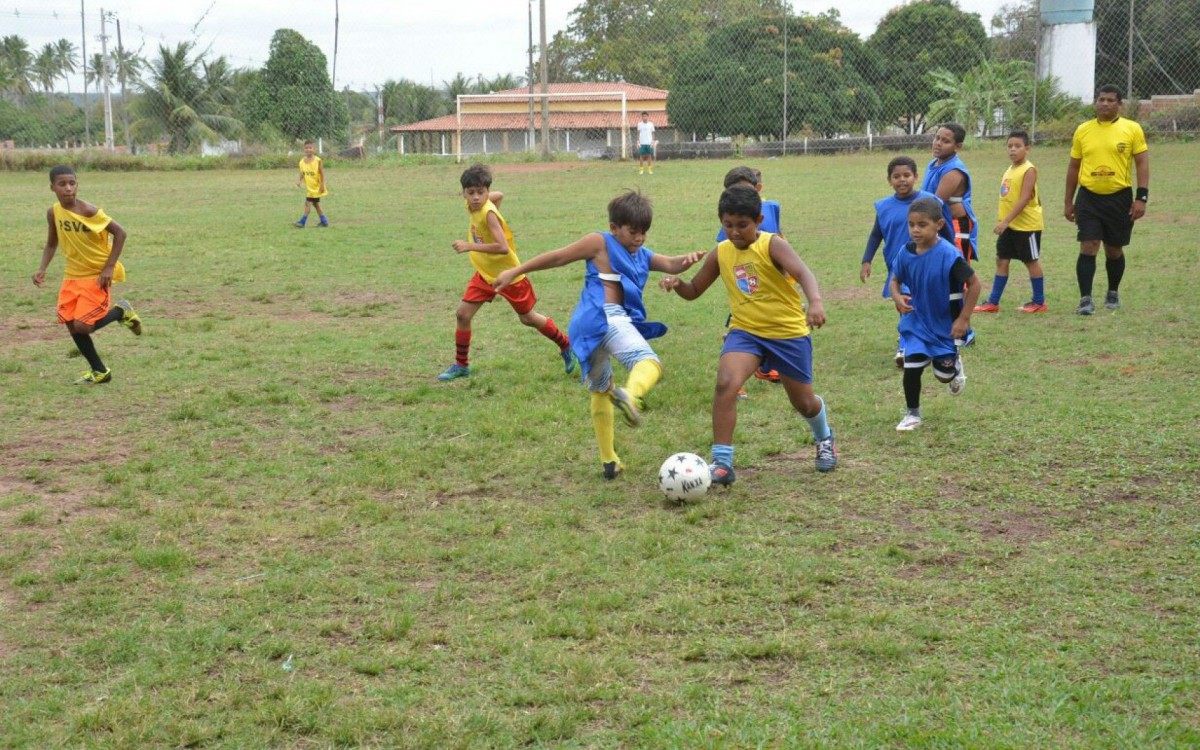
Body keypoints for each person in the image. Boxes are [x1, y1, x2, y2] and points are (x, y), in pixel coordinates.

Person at [492, 191, 704, 480]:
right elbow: (557, 258)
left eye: (644, 232)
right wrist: (516, 270)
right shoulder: (600, 242)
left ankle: (609, 460)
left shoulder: (641, 255)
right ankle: (631, 394)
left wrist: (688, 259)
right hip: (606, 318)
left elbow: (671, 264)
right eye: (633, 232)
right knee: (649, 363)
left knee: (601, 389)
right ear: (614, 227)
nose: (639, 238)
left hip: (585, 329)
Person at [660, 184, 838, 483]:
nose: (735, 232)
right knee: (725, 383)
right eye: (728, 225)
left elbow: (804, 273)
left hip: (787, 333)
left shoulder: (773, 245)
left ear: (758, 221)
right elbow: (693, 291)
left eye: (742, 225)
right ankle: (722, 463)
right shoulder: (721, 253)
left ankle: (824, 439)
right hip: (746, 332)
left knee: (803, 403)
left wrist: (816, 302)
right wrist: (677, 284)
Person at [438, 163, 574, 381]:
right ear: (463, 193)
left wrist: (469, 246)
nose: (475, 198)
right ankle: (461, 365)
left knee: (528, 318)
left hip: (509, 276)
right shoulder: (474, 205)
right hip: (485, 273)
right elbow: (498, 195)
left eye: (481, 193)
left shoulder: (488, 214)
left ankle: (566, 345)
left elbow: (502, 247)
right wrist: (491, 197)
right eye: (471, 193)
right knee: (463, 315)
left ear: (486, 191)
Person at [31, 165, 142, 385]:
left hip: (96, 275)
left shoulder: (89, 211)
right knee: (71, 324)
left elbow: (121, 233)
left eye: (72, 183)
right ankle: (100, 371)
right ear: (52, 187)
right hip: (72, 276)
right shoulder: (53, 212)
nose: (68, 188)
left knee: (83, 325)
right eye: (62, 184)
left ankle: (121, 312)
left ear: (77, 185)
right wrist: (42, 268)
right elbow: (52, 243)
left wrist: (109, 268)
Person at [889, 197, 981, 431]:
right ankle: (913, 414)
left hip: (945, 325)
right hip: (917, 321)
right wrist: (898, 297)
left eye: (922, 225)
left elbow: (975, 284)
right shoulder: (906, 252)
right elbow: (895, 280)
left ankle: (954, 367)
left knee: (943, 375)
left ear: (939, 225)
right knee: (912, 366)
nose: (915, 230)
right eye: (911, 225)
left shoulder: (949, 255)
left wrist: (963, 319)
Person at [1064, 84, 1150, 315]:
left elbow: (1142, 162)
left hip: (1119, 198)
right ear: (1095, 102)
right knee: (1089, 246)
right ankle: (1085, 299)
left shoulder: (1132, 129)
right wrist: (1068, 201)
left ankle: (1113, 291)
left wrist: (1141, 197)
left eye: (1111, 100)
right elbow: (1074, 166)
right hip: (1089, 197)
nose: (1104, 104)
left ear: (1120, 105)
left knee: (1114, 250)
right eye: (1101, 99)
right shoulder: (1083, 130)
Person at [861, 156, 950, 367]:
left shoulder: (930, 201)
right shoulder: (884, 207)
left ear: (916, 177)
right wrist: (867, 260)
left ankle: (911, 345)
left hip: (928, 264)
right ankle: (909, 343)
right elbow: (876, 235)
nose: (902, 180)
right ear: (889, 180)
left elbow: (945, 230)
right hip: (899, 266)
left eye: (907, 175)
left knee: (924, 303)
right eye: (896, 176)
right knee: (905, 304)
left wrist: (951, 258)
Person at [718, 166, 782, 392]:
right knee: (739, 327)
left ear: (758, 189)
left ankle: (767, 367)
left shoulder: (772, 208)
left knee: (772, 323)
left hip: (772, 281)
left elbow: (779, 235)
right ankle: (736, 380)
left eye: (747, 190)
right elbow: (723, 253)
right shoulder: (729, 227)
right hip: (746, 283)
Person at [975, 130, 1047, 313]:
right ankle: (993, 302)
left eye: (1017, 146)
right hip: (1010, 225)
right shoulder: (1010, 168)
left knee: (1031, 261)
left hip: (1026, 226)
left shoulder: (1029, 169)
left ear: (1027, 148)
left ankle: (1039, 302)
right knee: (1002, 260)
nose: (1013, 150)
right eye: (1009, 146)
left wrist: (1005, 221)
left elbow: (1023, 199)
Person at [923, 122, 978, 345]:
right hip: (940, 226)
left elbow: (934, 202)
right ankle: (947, 328)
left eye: (945, 141)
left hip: (956, 229)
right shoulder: (933, 163)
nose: (938, 143)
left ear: (958, 146)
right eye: (937, 138)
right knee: (943, 278)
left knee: (957, 278)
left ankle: (965, 331)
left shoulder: (953, 170)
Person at [294, 140, 329, 228]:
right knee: (316, 204)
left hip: (316, 187)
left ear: (314, 149)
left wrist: (322, 185)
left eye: (310, 148)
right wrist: (299, 180)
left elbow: (321, 173)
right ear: (304, 149)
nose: (308, 149)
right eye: (306, 148)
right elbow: (302, 172)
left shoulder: (318, 160)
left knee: (308, 203)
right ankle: (324, 221)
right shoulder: (302, 162)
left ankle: (302, 222)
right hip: (309, 188)